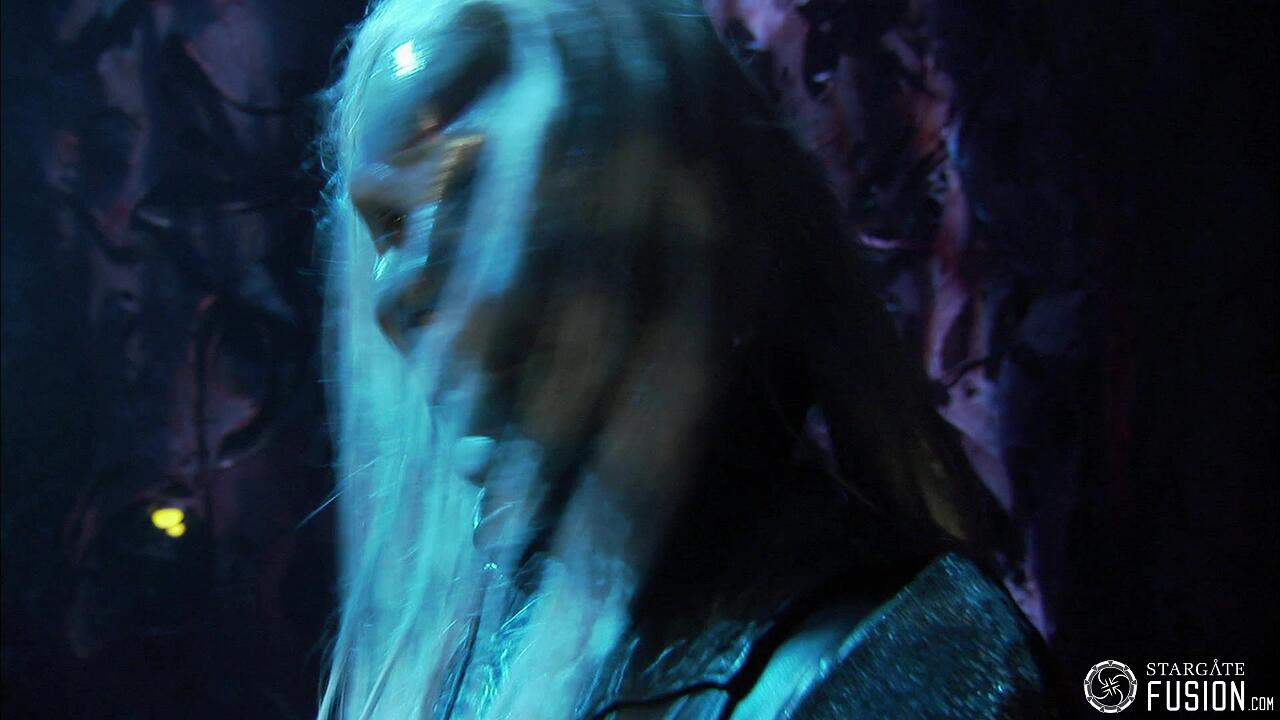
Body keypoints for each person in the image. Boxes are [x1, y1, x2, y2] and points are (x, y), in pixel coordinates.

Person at [317, 0, 1059, 717]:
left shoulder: (896, 659)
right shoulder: (494, 663)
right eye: (389, 224)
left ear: (695, 220)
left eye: (476, 189)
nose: (406, 286)